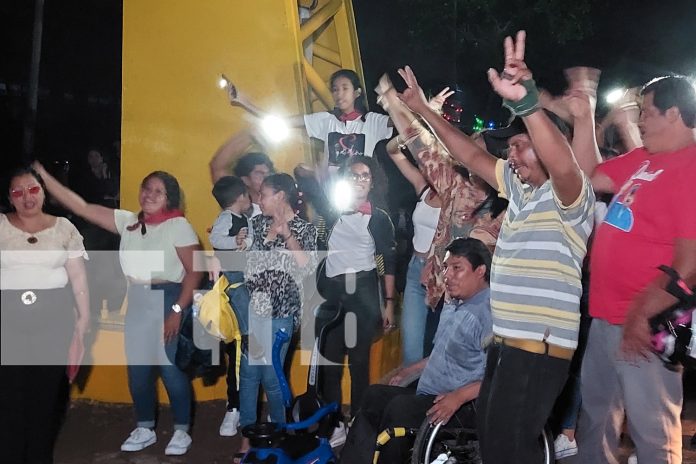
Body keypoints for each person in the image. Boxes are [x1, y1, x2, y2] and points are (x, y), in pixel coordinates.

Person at [394, 31, 597, 463]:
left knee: (509, 450)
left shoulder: (571, 197)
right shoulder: (518, 192)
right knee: (494, 442)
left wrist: (528, 106)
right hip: (505, 345)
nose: (513, 153)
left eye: (522, 145)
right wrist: (422, 112)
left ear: (548, 148)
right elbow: (467, 153)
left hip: (536, 350)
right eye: (511, 146)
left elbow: (562, 160)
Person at [33, 163, 203, 457]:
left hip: (168, 297)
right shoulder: (128, 222)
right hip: (138, 298)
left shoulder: (178, 225)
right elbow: (82, 207)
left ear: (169, 198)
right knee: (137, 370)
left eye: (158, 192)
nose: (149, 195)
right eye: (146, 188)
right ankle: (145, 427)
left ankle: (181, 429)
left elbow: (194, 272)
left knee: (170, 368)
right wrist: (44, 178)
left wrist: (176, 309)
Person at [578, 75, 696, 463]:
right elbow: (587, 177)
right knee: (596, 422)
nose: (640, 121)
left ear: (674, 113)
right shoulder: (644, 158)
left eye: (647, 112)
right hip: (605, 317)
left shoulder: (691, 167)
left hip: (645, 325)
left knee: (653, 433)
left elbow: (690, 265)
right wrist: (582, 118)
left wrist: (641, 315)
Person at [376, 77, 507, 363]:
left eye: (475, 149)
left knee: (461, 367)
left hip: (482, 308)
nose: (467, 153)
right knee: (425, 361)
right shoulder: (455, 186)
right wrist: (397, 105)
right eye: (467, 147)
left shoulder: (511, 204)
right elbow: (421, 148)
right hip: (444, 294)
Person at [339, 237, 492, 464]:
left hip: (459, 406)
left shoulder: (488, 313)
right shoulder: (457, 303)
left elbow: (498, 376)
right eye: (446, 268)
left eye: (457, 268)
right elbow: (444, 354)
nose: (447, 275)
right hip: (431, 395)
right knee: (374, 395)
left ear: (480, 271)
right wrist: (409, 370)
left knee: (399, 410)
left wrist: (458, 397)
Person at [1, 166, 90, 464]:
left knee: (45, 401)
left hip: (53, 322)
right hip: (7, 323)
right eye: (18, 192)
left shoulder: (64, 228)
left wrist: (83, 323)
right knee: (9, 400)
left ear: (43, 192)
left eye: (33, 189)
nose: (27, 197)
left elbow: (78, 279)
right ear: (9, 198)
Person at [309, 155, 397, 448]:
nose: (360, 181)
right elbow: (318, 244)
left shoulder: (379, 217)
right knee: (330, 364)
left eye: (366, 176)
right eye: (355, 175)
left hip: (363, 293)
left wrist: (388, 302)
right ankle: (333, 423)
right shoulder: (329, 211)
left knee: (359, 363)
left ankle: (359, 422)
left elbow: (387, 261)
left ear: (373, 183)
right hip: (332, 294)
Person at [236, 173, 317, 461]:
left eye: (264, 194)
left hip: (282, 313)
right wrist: (250, 241)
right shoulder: (257, 224)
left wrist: (286, 235)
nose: (259, 199)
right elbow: (249, 267)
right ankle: (247, 439)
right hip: (253, 311)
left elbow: (307, 268)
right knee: (248, 376)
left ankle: (279, 437)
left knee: (272, 377)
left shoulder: (306, 229)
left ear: (280, 196)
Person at [228, 69, 392, 175]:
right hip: (334, 196)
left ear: (357, 92)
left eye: (344, 88)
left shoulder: (371, 121)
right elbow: (284, 121)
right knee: (301, 171)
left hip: (362, 192)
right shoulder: (326, 120)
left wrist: (394, 100)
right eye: (335, 89)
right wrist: (243, 101)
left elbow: (402, 121)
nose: (339, 93)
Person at [209, 175, 253, 437]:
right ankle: (234, 406)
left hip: (245, 285)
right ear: (239, 198)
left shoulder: (244, 219)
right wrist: (235, 242)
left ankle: (240, 403)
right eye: (247, 195)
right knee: (237, 346)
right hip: (233, 288)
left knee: (245, 346)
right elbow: (217, 239)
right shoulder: (227, 218)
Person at [209, 130, 275, 218]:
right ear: (245, 179)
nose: (266, 177)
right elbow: (217, 167)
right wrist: (251, 134)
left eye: (268, 173)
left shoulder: (280, 202)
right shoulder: (237, 203)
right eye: (259, 174)